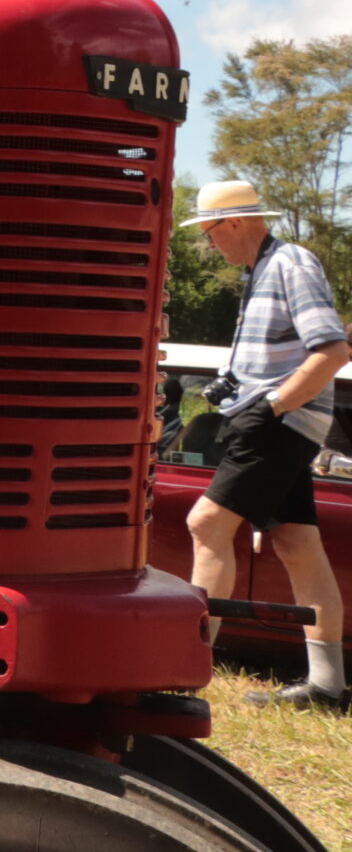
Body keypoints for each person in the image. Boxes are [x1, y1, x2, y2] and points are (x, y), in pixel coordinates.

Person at [182, 179, 352, 713]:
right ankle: (327, 686)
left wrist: (270, 405)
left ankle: (183, 669)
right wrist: (235, 386)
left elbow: (333, 349)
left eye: (210, 234)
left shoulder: (290, 264)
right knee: (299, 545)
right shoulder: (261, 270)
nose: (211, 246)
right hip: (277, 422)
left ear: (234, 222)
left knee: (205, 525)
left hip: (279, 425)